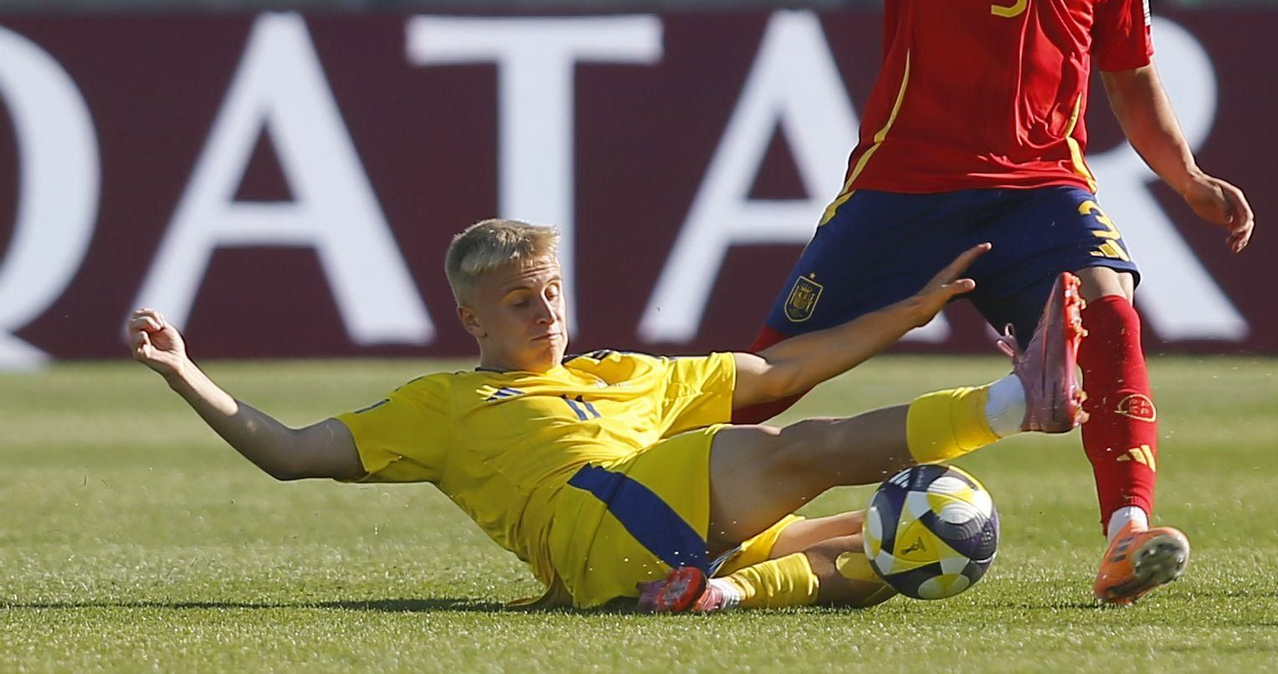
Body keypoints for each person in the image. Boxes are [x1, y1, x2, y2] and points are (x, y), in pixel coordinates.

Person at [752, 0, 1254, 605]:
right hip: (901, 189)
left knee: (1110, 300)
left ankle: (1126, 534)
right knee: (764, 382)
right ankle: (658, 508)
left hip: (1038, 189)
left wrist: (1187, 178)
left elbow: (1132, 83)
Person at [128, 218, 1095, 614]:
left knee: (889, 548)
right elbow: (292, 455)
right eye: (520, 300)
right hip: (593, 518)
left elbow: (782, 363)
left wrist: (913, 311)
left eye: (550, 290)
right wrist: (186, 373)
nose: (546, 310)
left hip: (655, 542)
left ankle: (717, 597)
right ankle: (1014, 403)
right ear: (471, 317)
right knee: (795, 449)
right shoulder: (444, 404)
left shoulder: (621, 371)